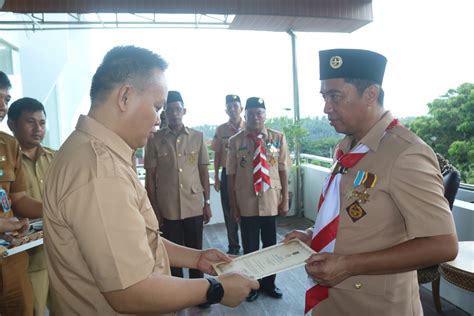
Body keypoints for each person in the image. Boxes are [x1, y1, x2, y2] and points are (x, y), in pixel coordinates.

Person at [42, 46, 257, 315]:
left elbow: (138, 242)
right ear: (125, 97)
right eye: (157, 107)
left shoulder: (94, 153)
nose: (159, 119)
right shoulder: (100, 172)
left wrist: (197, 258)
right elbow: (130, 291)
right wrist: (216, 288)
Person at [283, 49, 458, 315]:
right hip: (332, 302)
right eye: (324, 96)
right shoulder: (348, 147)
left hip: (375, 305)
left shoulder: (405, 153)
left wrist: (348, 264)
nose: (326, 108)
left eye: (335, 96)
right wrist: (312, 236)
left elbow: (443, 245)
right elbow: (358, 220)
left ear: (371, 95)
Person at [227, 96, 289, 302]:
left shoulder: (277, 138)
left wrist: (285, 199)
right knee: (251, 248)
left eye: (259, 113)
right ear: (246, 115)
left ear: (265, 115)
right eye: (251, 113)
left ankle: (269, 284)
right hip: (247, 202)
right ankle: (252, 286)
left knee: (271, 246)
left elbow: (282, 170)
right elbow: (231, 175)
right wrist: (234, 206)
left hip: (271, 201)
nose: (255, 117)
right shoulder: (235, 141)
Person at [145, 90, 211, 281]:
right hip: (168, 207)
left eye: (178, 109)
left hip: (193, 204)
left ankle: (198, 287)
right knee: (172, 252)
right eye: (170, 109)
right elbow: (151, 178)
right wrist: (154, 209)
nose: (174, 113)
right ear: (164, 112)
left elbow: (203, 172)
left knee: (195, 248)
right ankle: (177, 290)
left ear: (184, 111)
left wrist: (206, 202)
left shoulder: (198, 137)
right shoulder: (154, 140)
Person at [0, 70, 43, 316]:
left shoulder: (9, 144)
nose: (2, 105)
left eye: (6, 99)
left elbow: (19, 199)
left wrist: (56, 210)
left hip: (12, 258)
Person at [7, 97, 55, 316]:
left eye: (42, 123)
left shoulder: (56, 159)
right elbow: (16, 203)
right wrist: (59, 212)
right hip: (27, 256)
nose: (38, 129)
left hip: (58, 253)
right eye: (30, 122)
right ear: (12, 124)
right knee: (33, 310)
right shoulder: (6, 161)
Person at [211, 94, 245, 255]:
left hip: (245, 174)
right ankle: (234, 245)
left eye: (235, 106)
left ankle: (248, 240)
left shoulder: (249, 127)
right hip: (227, 173)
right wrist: (216, 177)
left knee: (246, 207)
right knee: (229, 209)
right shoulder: (221, 130)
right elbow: (217, 154)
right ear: (226, 110)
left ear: (241, 108)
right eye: (229, 107)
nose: (232, 109)